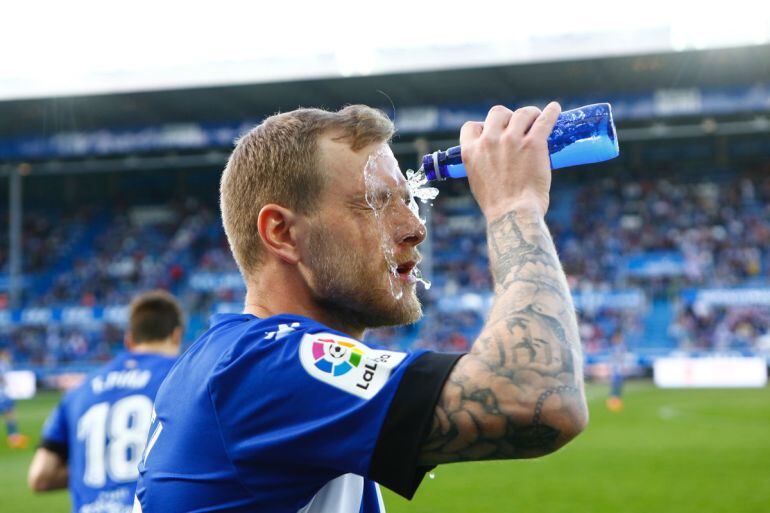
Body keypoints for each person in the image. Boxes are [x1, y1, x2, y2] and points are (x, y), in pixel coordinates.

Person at [134, 104, 589, 513]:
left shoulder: (231, 360)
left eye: (407, 200)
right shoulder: (260, 366)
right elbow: (537, 397)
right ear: (283, 234)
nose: (415, 228)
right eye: (375, 202)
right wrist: (514, 205)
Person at [28, 290, 183, 513]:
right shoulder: (182, 378)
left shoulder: (79, 390)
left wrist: (97, 459)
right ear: (176, 335)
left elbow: (40, 476)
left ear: (129, 340)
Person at [0, 348, 29, 449]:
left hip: (4, 394)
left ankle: (14, 437)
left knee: (10, 414)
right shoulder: (2, 365)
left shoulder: (5, 365)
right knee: (10, 414)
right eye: (6, 354)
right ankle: (13, 438)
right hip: (2, 395)